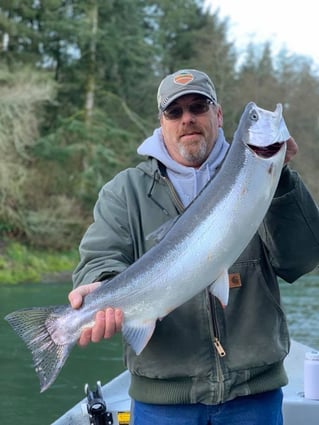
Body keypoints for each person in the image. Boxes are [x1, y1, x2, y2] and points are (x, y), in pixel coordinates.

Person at [69, 69, 319, 425]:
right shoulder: (125, 192)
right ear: (162, 122)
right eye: (175, 111)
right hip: (163, 401)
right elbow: (99, 259)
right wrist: (103, 283)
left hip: (253, 395)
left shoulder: (263, 177)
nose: (187, 118)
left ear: (217, 115)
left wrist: (281, 181)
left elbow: (301, 260)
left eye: (198, 106)